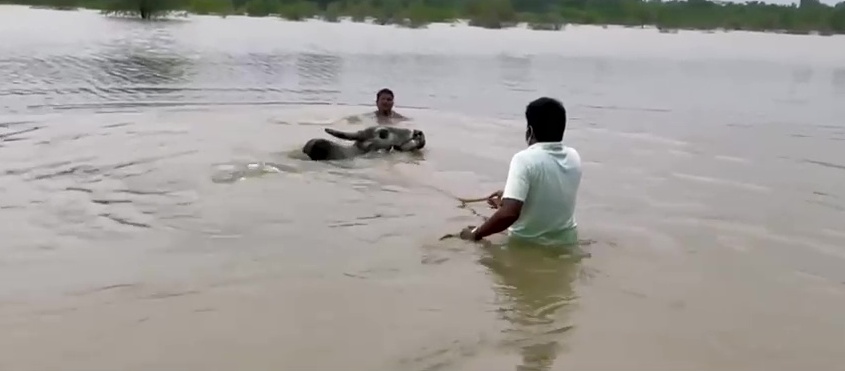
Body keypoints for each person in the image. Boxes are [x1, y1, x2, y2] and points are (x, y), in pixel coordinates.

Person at [459, 97, 582, 247]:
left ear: (529, 131)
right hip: (567, 244)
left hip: (529, 246)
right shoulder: (573, 157)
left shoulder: (524, 159)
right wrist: (510, 195)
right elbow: (550, 195)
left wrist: (476, 233)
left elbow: (509, 214)